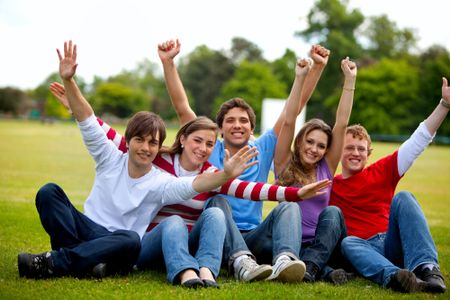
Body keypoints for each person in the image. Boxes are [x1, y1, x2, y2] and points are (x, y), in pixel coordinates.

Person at [17, 40, 257, 284]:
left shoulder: (160, 182)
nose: (145, 148)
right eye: (140, 140)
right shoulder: (108, 157)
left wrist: (225, 174)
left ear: (158, 147)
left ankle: (55, 263)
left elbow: (193, 184)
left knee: (131, 239)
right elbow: (88, 120)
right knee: (49, 192)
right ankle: (84, 262)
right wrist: (69, 81)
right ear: (128, 140)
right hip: (88, 229)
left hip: (121, 245)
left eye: (153, 143)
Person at [50, 83, 331, 287]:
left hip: (192, 240)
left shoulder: (211, 172)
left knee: (215, 210)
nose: (204, 148)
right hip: (153, 243)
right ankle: (186, 272)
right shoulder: (157, 159)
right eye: (198, 141)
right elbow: (110, 134)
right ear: (183, 139)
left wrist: (295, 193)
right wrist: (76, 108)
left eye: (210, 144)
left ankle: (207, 272)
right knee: (171, 222)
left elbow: (249, 190)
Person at [157, 38, 330, 282]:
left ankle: (285, 262)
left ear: (251, 128)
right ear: (220, 128)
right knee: (216, 199)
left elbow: (295, 109)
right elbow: (183, 108)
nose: (237, 125)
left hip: (254, 235)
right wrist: (168, 63)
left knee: (289, 205)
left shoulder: (263, 147)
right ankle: (240, 261)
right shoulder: (210, 149)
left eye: (243, 121)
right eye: (230, 120)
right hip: (218, 233)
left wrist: (317, 68)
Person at [330, 78, 450, 293]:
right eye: (349, 148)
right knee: (349, 243)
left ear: (368, 154)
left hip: (391, 242)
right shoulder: (328, 184)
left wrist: (445, 105)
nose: (355, 153)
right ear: (338, 151)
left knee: (404, 197)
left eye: (361, 149)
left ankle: (427, 269)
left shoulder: (383, 171)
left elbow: (418, 140)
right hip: (362, 249)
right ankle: (397, 277)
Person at [274, 57, 357, 284]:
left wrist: (350, 80)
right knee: (299, 251)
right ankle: (325, 271)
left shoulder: (326, 167)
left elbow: (341, 124)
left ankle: (312, 267)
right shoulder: (284, 163)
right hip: (290, 245)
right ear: (300, 141)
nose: (314, 149)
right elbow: (289, 121)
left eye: (321, 146)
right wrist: (300, 77)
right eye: (310, 142)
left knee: (334, 213)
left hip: (323, 243)